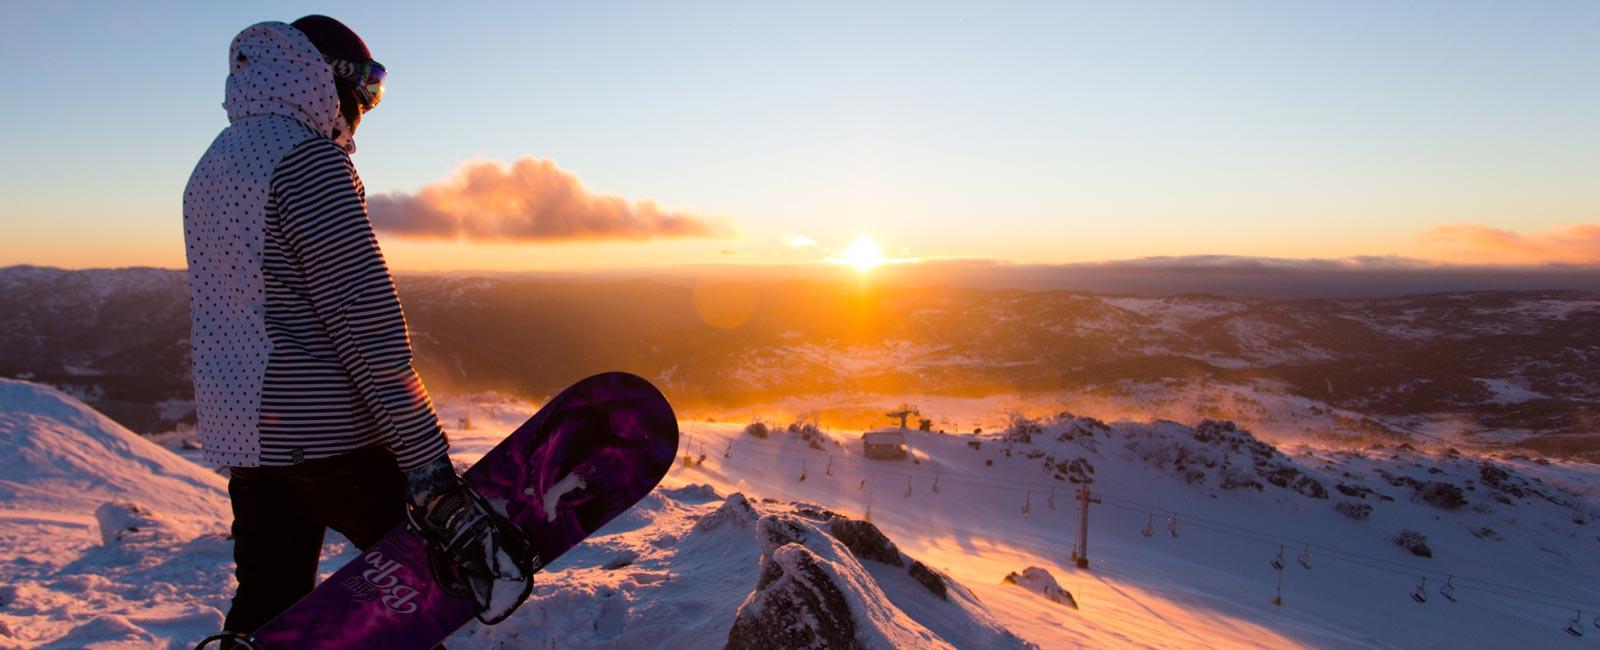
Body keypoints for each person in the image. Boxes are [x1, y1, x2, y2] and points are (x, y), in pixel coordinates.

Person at [182, 16, 524, 642]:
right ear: (329, 79)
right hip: (328, 435)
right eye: (367, 85)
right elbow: (365, 323)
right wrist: (427, 465)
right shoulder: (309, 161)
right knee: (424, 591)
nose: (367, 105)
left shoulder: (214, 163)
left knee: (268, 610)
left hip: (252, 443)